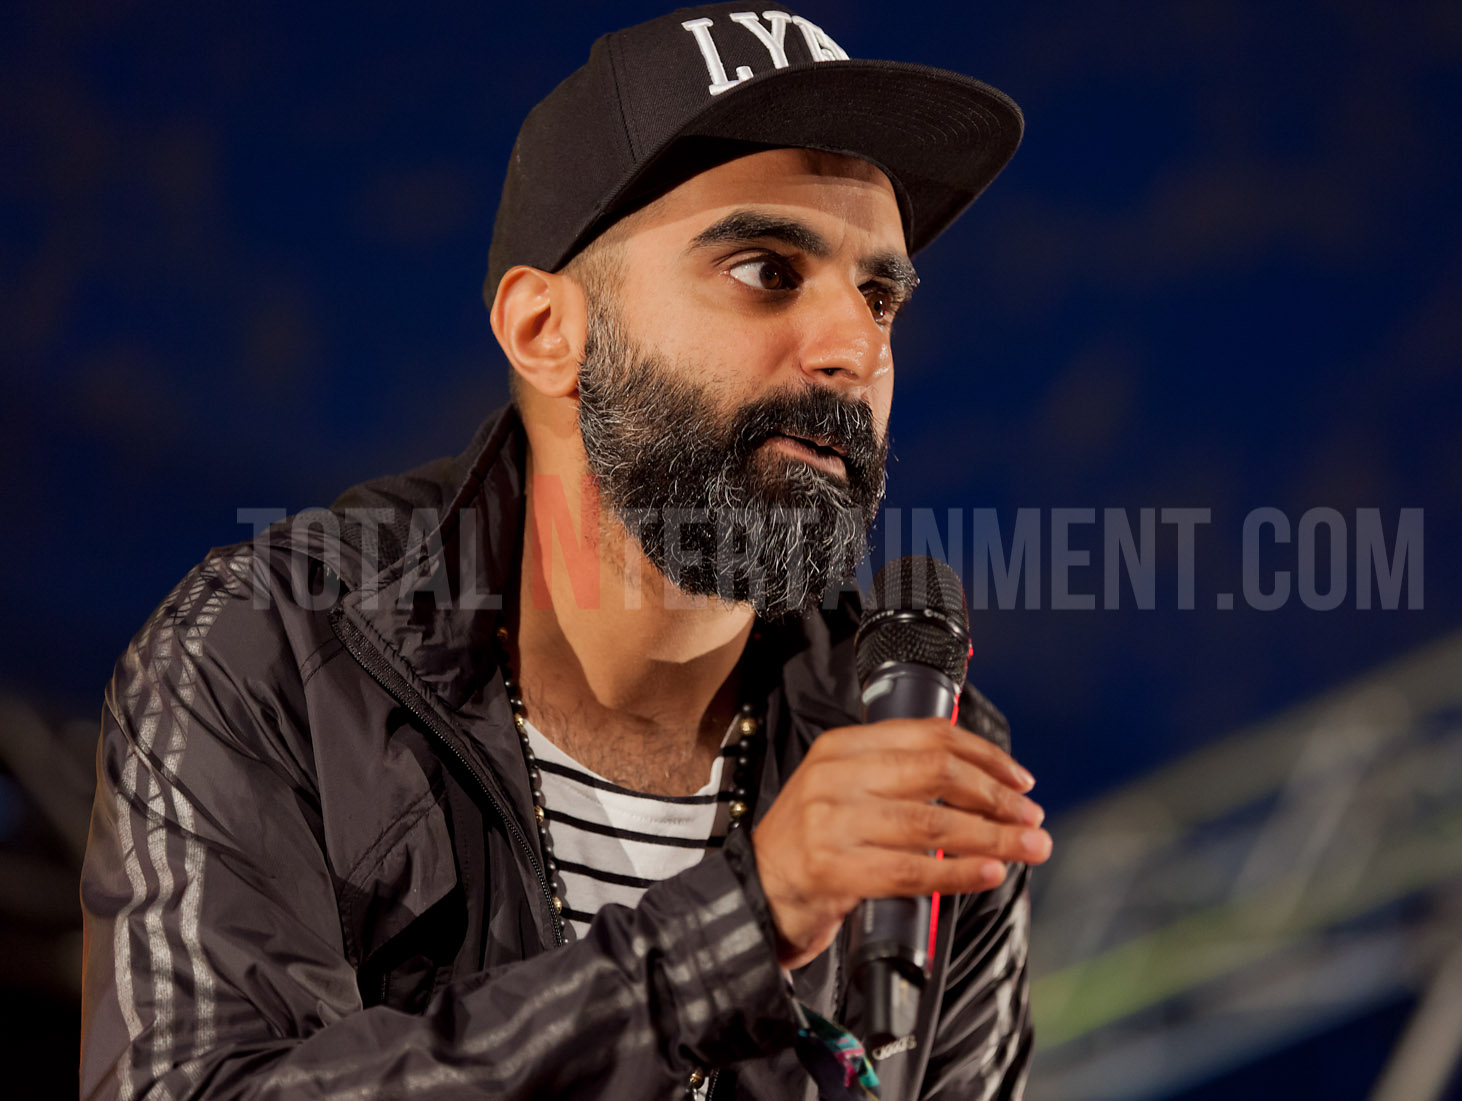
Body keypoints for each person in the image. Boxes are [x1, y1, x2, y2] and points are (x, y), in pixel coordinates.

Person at [79, 5, 1049, 1098]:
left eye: (878, 296)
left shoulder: (912, 756)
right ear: (548, 333)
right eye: (766, 270)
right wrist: (733, 932)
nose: (853, 350)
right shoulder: (272, 660)